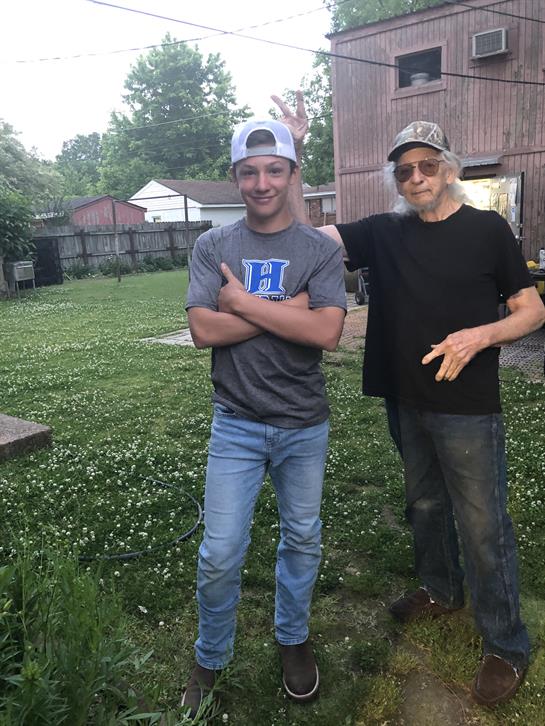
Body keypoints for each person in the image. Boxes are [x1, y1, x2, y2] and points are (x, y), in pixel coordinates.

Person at [275, 96, 545, 708]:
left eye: (427, 165)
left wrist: (479, 335)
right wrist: (294, 149)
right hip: (405, 397)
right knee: (425, 505)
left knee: (483, 525)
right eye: (404, 171)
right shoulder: (384, 231)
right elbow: (303, 236)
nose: (416, 178)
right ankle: (441, 590)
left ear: (449, 169)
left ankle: (506, 645)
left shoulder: (487, 230)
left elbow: (531, 310)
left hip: (468, 405)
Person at [181, 118, 347, 717]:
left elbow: (326, 333)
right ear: (235, 177)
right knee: (220, 551)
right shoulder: (213, 246)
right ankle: (211, 654)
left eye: (274, 170)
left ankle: (293, 638)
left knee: (301, 538)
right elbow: (203, 330)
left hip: (304, 424)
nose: (261, 182)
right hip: (237, 422)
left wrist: (242, 303)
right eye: (249, 172)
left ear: (291, 173)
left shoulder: (320, 249)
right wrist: (287, 309)